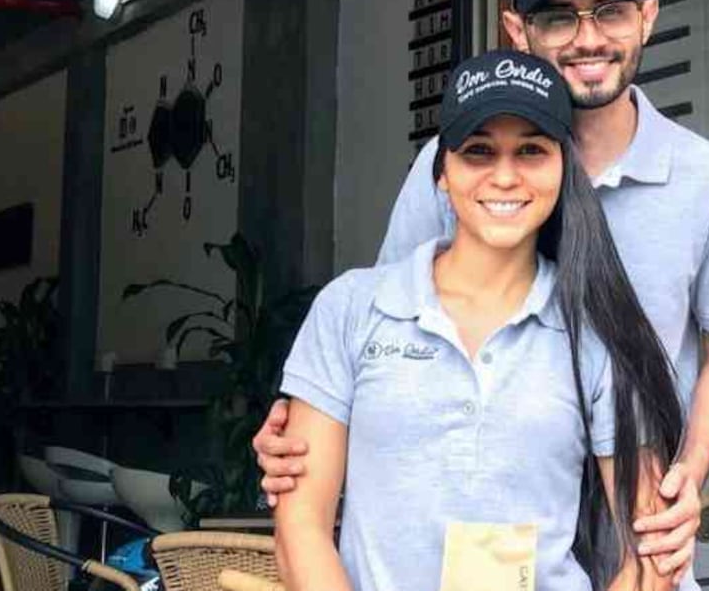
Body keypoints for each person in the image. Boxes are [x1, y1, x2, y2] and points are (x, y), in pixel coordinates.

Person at [257, 0, 709, 590]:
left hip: (633, 545)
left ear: (646, 18)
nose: (588, 38)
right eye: (557, 17)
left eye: (610, 11)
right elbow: (385, 341)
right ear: (518, 31)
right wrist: (314, 422)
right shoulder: (415, 209)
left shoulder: (708, 180)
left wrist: (685, 477)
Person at [274, 49, 683, 591]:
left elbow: (654, 553)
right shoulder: (350, 308)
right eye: (478, 152)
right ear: (441, 173)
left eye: (531, 150)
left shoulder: (596, 330)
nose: (505, 176)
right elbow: (300, 527)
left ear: (563, 168)